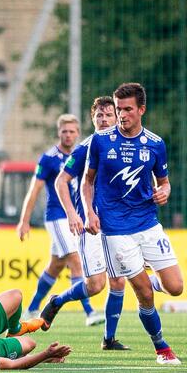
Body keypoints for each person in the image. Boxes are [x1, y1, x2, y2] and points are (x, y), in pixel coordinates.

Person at [45, 83, 184, 365]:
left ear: (141, 110)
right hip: (108, 227)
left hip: (147, 223)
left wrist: (164, 192)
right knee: (114, 285)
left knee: (175, 287)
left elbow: (165, 183)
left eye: (123, 110)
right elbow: (77, 181)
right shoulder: (95, 143)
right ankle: (159, 347)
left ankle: (107, 333)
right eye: (111, 112)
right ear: (94, 118)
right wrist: (81, 214)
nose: (117, 117)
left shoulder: (155, 144)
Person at [50, 96, 129, 350]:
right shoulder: (85, 147)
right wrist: (73, 214)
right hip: (89, 225)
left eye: (108, 115)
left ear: (117, 118)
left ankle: (109, 339)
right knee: (96, 285)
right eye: (99, 116)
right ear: (92, 119)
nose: (104, 120)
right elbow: (61, 181)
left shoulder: (126, 145)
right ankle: (57, 300)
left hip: (117, 224)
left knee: (118, 281)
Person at [17, 113, 104, 326]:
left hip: (76, 216)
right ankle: (89, 312)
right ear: (59, 133)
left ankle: (31, 309)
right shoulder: (48, 158)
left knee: (55, 266)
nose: (68, 135)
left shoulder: (82, 154)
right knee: (75, 260)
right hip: (57, 217)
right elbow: (34, 190)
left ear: (77, 133)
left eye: (72, 131)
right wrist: (24, 220)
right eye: (64, 131)